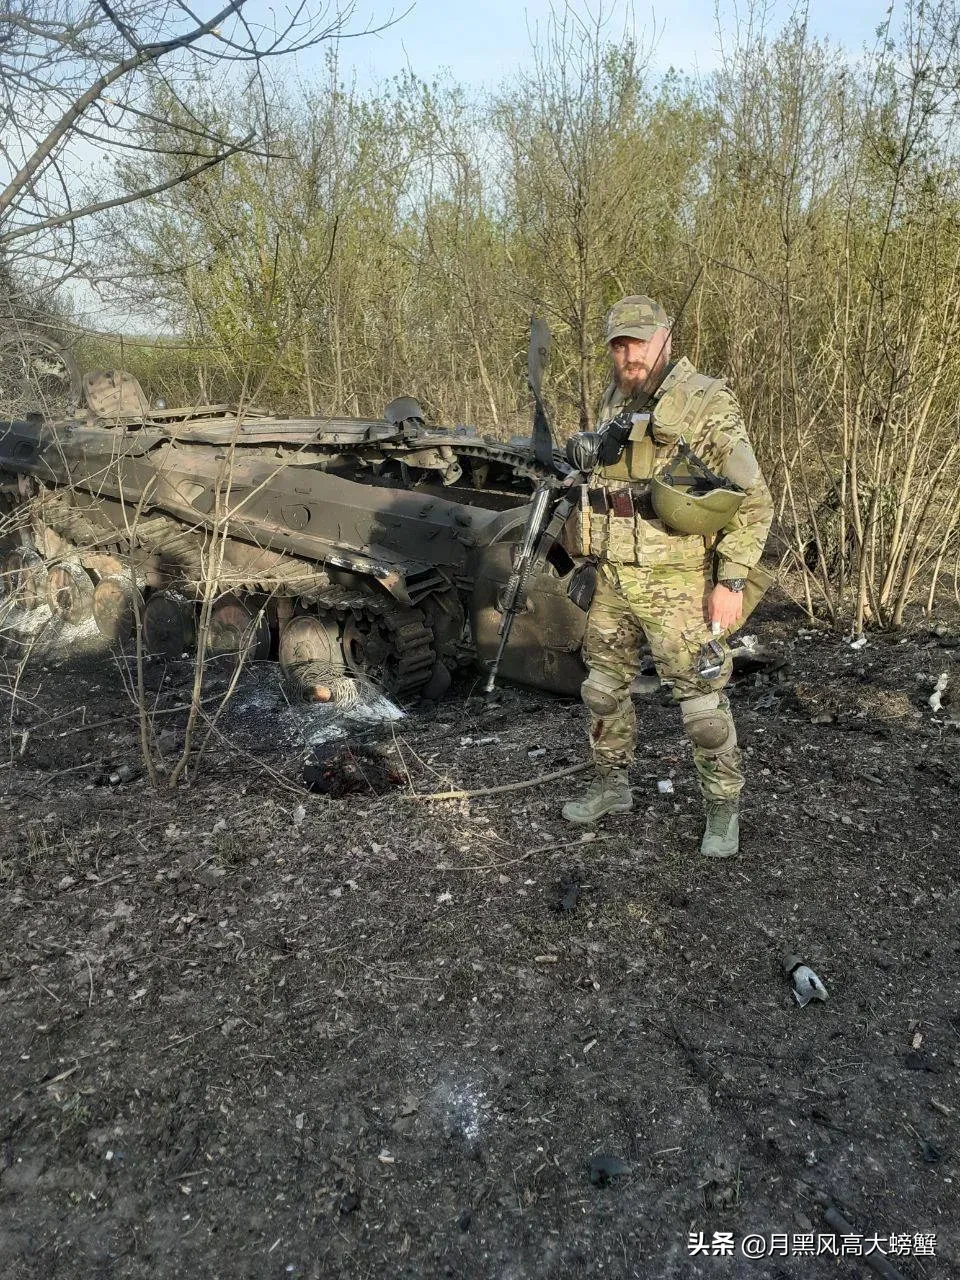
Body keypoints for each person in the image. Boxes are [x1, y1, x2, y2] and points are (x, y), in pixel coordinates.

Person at [560, 295, 773, 857]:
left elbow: (754, 499)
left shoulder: (704, 401)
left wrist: (731, 580)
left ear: (665, 340)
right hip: (614, 576)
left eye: (639, 342)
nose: (629, 355)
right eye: (619, 345)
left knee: (702, 708)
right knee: (602, 690)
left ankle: (722, 808)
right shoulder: (615, 398)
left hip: (680, 582)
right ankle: (611, 786)